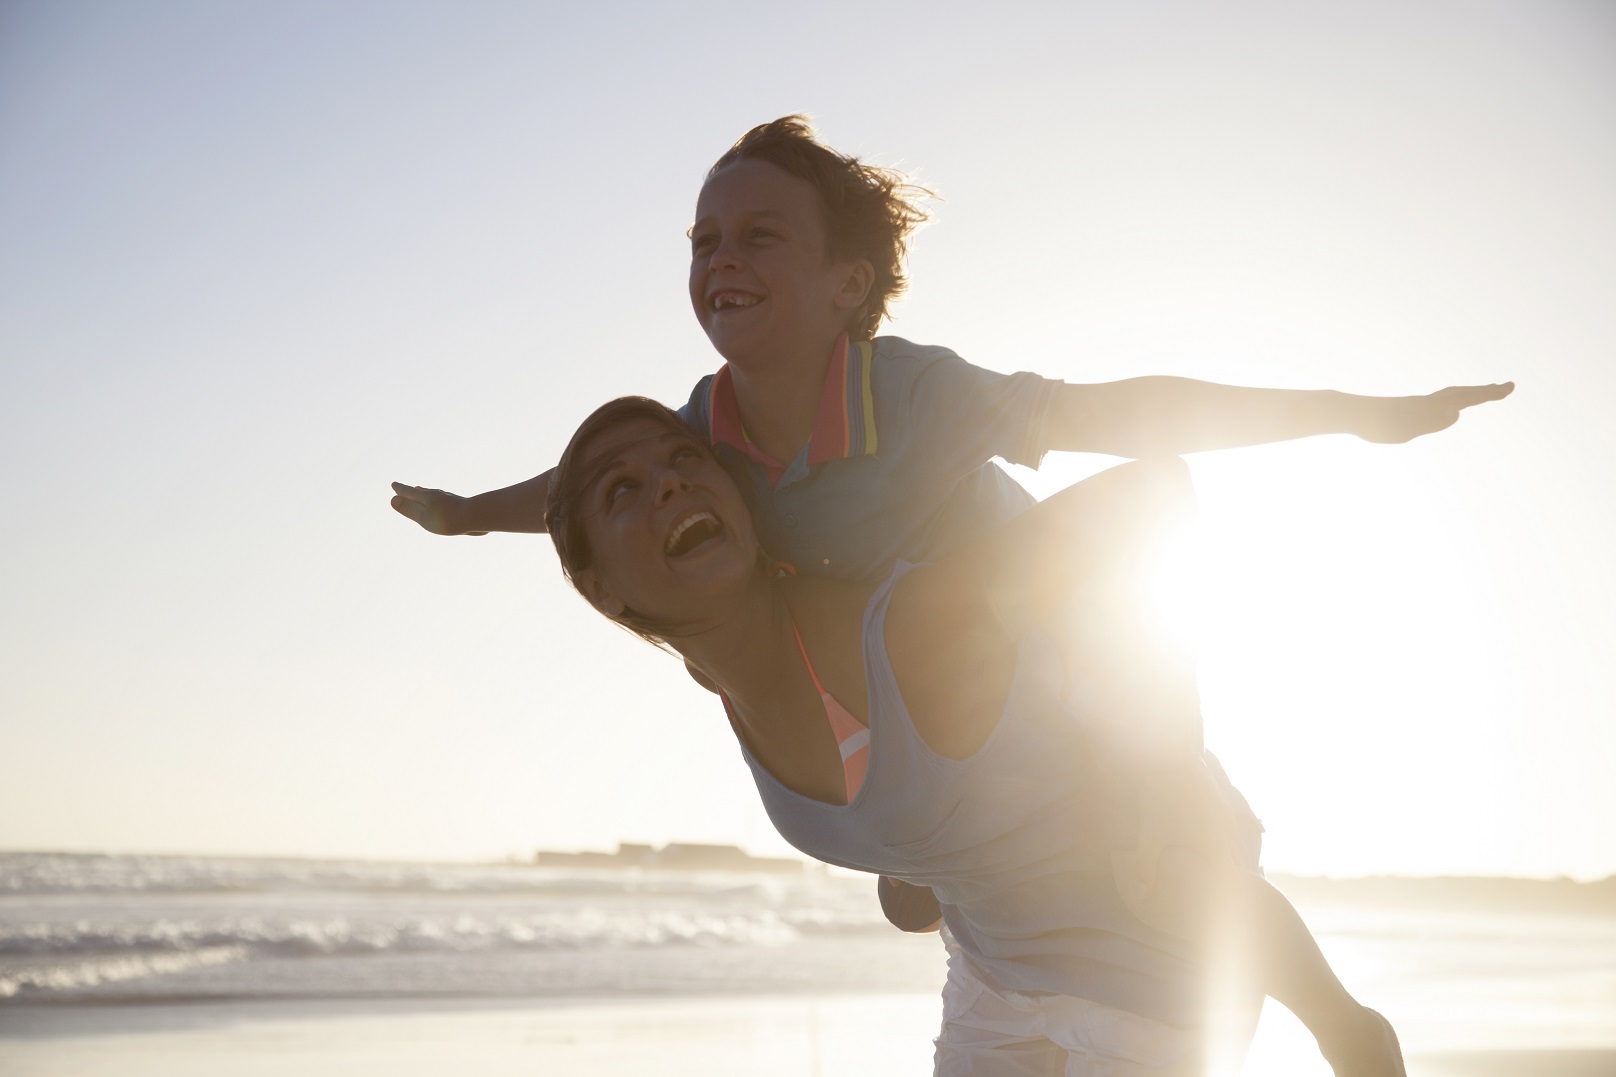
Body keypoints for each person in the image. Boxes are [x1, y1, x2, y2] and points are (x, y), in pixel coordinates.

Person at [391, 116, 1511, 1071]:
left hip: (1071, 633)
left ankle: (1340, 1021)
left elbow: (1119, 415)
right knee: (912, 812)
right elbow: (580, 492)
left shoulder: (915, 396)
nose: (719, 258)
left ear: (846, 287)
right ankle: (924, 863)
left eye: (757, 236)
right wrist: (465, 511)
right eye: (703, 240)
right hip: (925, 696)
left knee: (1178, 841)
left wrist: (1347, 409)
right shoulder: (705, 432)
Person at [539, 396, 1338, 1073]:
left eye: (685, 457)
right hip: (995, 975)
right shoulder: (718, 672)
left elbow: (1152, 493)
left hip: (1142, 951)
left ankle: (1354, 1029)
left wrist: (1166, 783)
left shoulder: (914, 636)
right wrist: (917, 859)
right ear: (598, 590)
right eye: (625, 490)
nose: (671, 481)